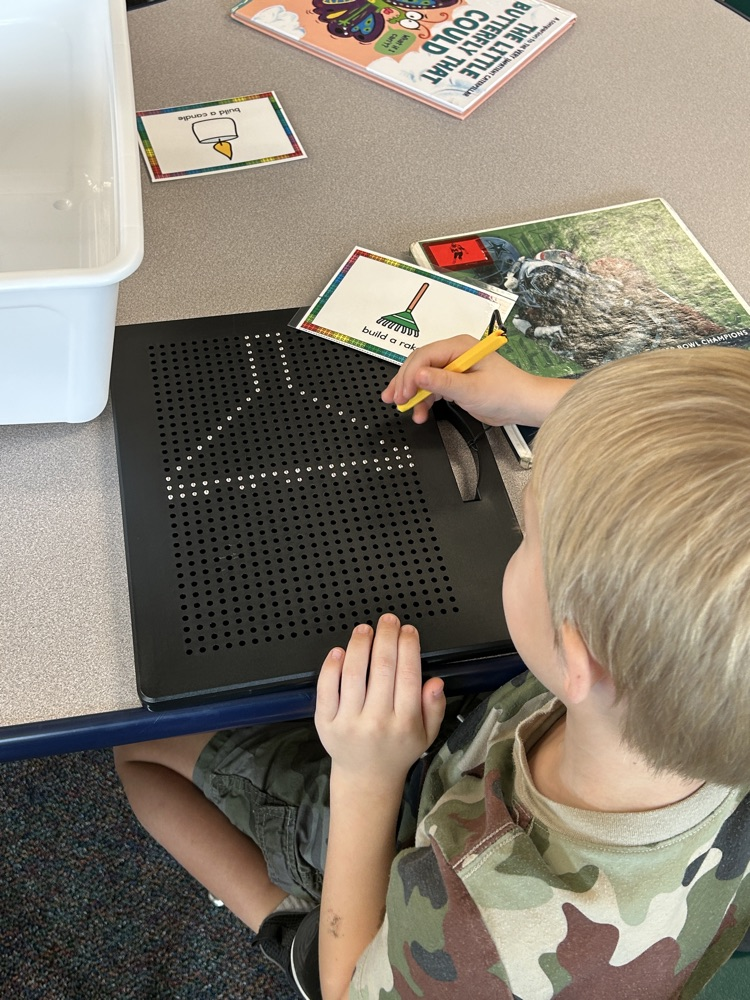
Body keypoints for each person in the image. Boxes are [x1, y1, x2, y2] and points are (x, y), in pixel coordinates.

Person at [114, 339, 750, 1000]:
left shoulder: (480, 925)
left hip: (395, 914)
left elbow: (348, 992)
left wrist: (367, 775)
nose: (519, 534)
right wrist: (532, 397)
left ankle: (286, 928)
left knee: (138, 748)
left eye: (527, 534)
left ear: (579, 656)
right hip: (461, 781)